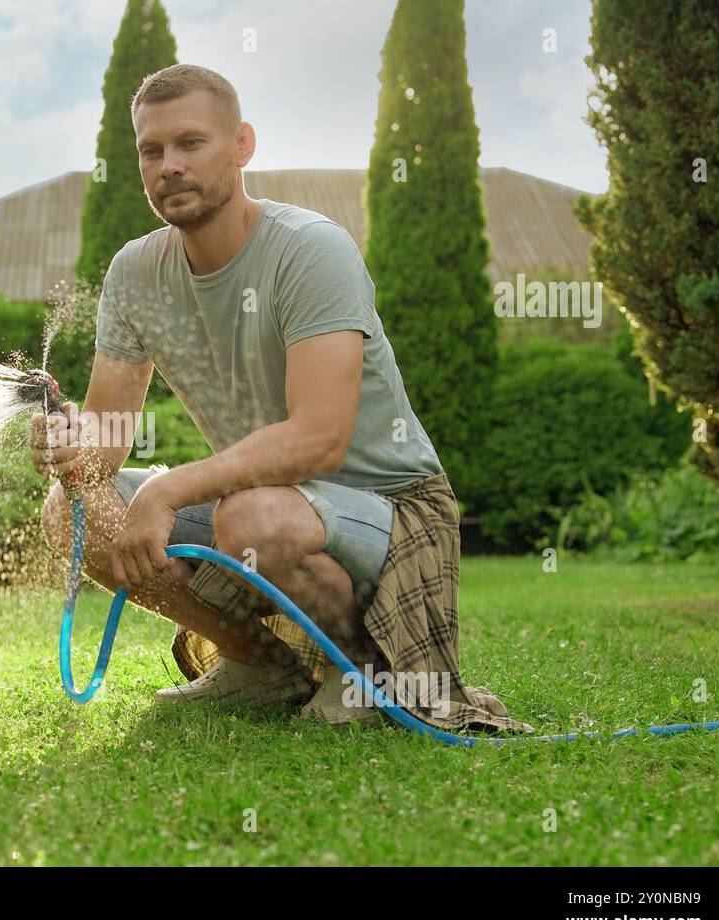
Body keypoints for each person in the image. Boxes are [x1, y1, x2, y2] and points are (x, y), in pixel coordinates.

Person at [28, 64, 533, 736]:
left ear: (242, 145)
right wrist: (73, 444)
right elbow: (108, 434)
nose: (170, 165)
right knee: (74, 512)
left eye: (191, 144)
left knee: (253, 518)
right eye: (152, 151)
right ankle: (259, 665)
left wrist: (167, 491)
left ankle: (363, 673)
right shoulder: (135, 272)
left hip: (394, 508)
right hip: (266, 502)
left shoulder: (310, 250)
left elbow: (317, 440)